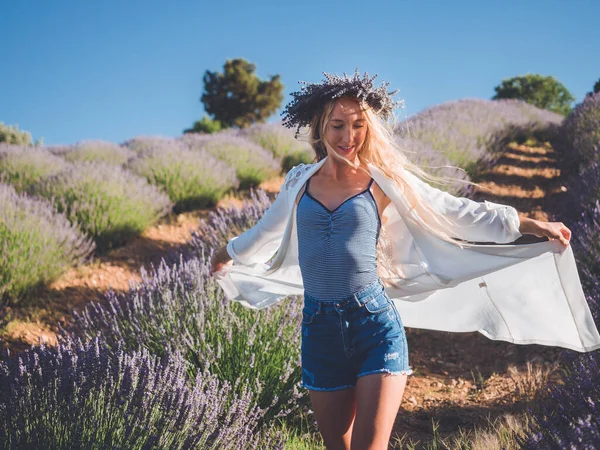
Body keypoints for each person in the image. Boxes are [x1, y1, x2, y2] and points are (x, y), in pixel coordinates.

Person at [209, 70, 598, 450]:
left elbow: (452, 210)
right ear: (320, 129)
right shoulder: (299, 182)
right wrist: (224, 254)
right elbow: (264, 234)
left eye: (358, 125)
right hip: (319, 330)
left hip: (374, 324)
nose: (348, 137)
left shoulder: (382, 180)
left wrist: (526, 223)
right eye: (337, 126)